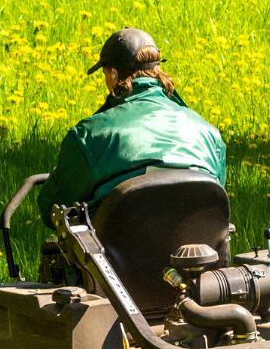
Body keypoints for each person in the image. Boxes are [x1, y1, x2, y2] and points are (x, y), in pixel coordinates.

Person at [40, 28, 227, 224]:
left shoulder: (90, 135)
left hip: (116, 252)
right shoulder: (209, 134)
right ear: (157, 69)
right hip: (197, 248)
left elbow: (53, 210)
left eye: (104, 74)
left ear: (113, 74)